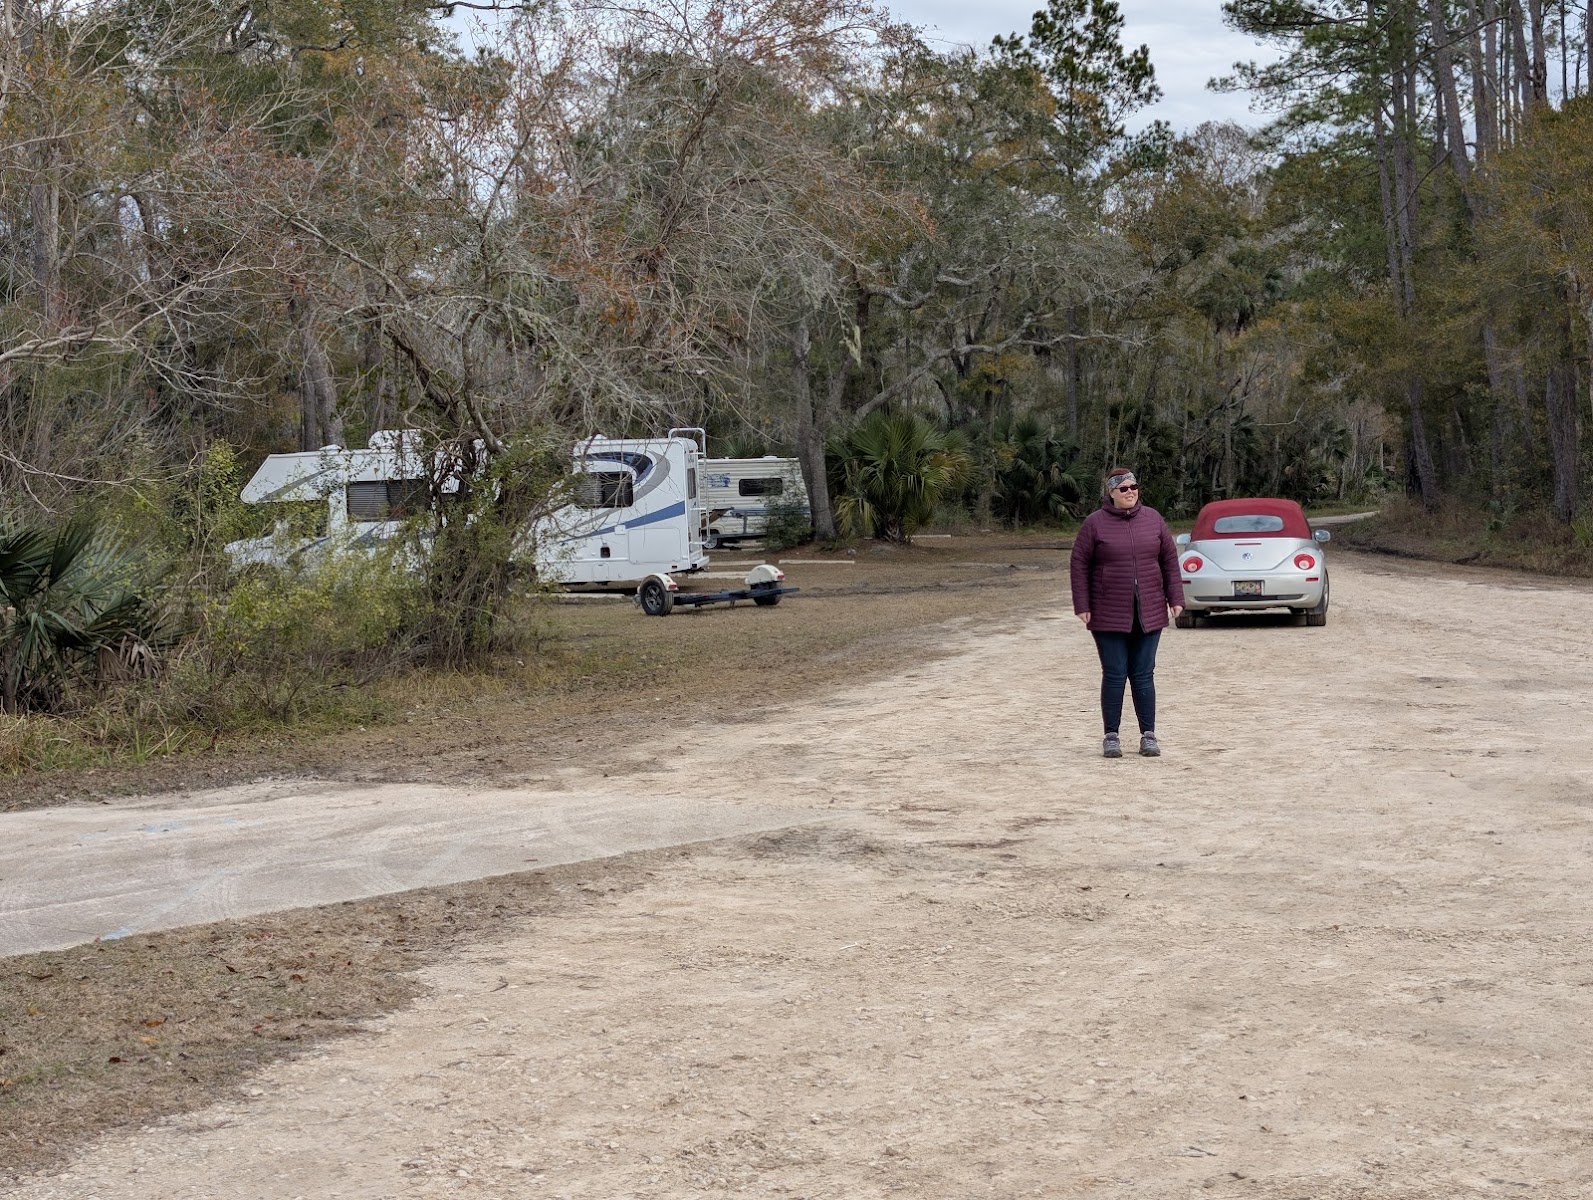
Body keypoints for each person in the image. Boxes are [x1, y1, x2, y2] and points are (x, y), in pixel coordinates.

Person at [1069, 467, 1185, 758]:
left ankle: (1148, 736)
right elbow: (1079, 564)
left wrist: (1176, 597)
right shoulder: (1094, 524)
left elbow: (1170, 561)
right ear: (1111, 493)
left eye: (1134, 486)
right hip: (1108, 612)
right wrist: (1082, 604)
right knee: (1115, 674)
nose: (1130, 492)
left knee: (1144, 674)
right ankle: (1111, 736)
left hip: (1150, 610)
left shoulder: (1154, 520)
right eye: (1123, 488)